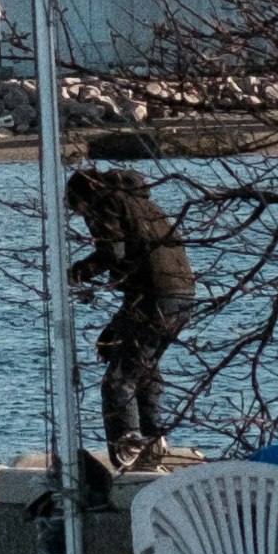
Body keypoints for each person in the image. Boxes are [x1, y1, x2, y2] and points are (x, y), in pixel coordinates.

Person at [67, 147, 196, 461]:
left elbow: (114, 253)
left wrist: (76, 273)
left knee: (119, 379)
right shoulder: (141, 202)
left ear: (85, 199)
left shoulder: (105, 203)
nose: (83, 218)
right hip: (180, 294)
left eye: (79, 211)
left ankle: (130, 446)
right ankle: (153, 439)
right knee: (131, 357)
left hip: (152, 296)